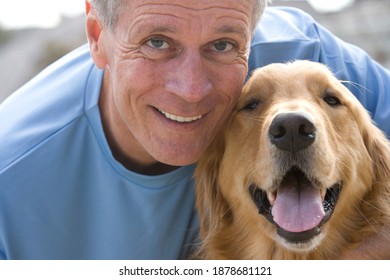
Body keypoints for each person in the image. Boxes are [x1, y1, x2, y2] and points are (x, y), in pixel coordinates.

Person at [0, 0, 389, 260]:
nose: (191, 90)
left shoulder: (306, 51)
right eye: (157, 42)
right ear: (98, 36)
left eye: (222, 45)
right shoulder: (11, 187)